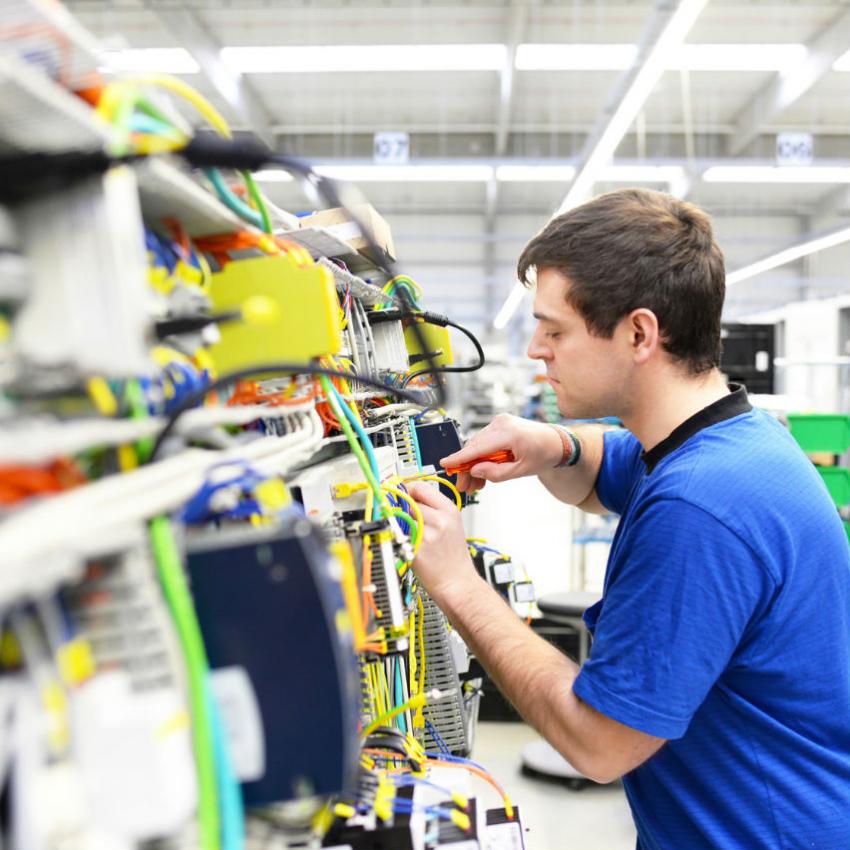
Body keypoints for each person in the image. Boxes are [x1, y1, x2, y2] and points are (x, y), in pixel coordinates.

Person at [407, 188, 850, 850]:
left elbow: (598, 744)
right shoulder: (730, 439)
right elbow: (606, 466)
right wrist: (550, 444)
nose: (535, 349)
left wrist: (459, 583)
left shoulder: (699, 509)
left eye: (555, 330)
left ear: (640, 333)